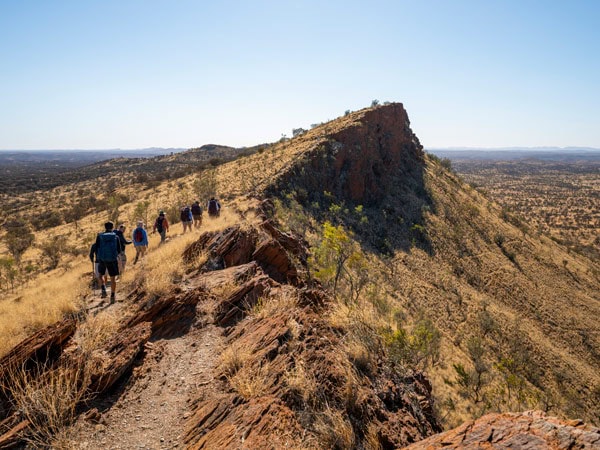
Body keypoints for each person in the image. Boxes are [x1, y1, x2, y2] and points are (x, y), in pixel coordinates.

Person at [95, 221, 123, 303]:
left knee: (100, 275)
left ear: (105, 227)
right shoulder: (116, 237)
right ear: (112, 227)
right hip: (112, 259)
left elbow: (97, 248)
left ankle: (103, 289)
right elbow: (119, 250)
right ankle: (112, 296)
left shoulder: (99, 236)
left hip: (102, 259)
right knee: (113, 278)